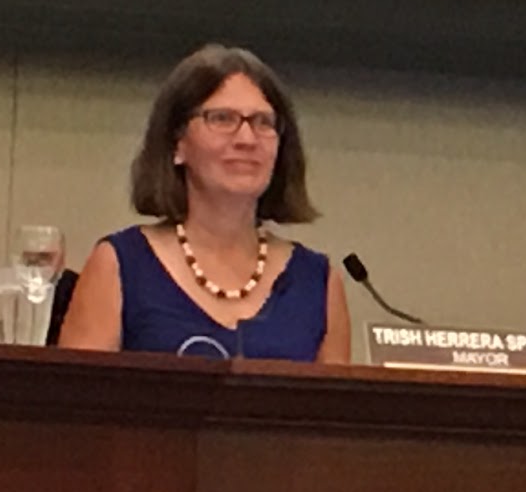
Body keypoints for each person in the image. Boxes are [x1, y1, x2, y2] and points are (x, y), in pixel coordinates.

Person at [58, 45, 351, 363]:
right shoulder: (119, 264)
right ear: (177, 143)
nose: (247, 139)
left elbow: (333, 396)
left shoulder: (318, 283)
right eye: (222, 118)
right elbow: (77, 393)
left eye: (263, 122)